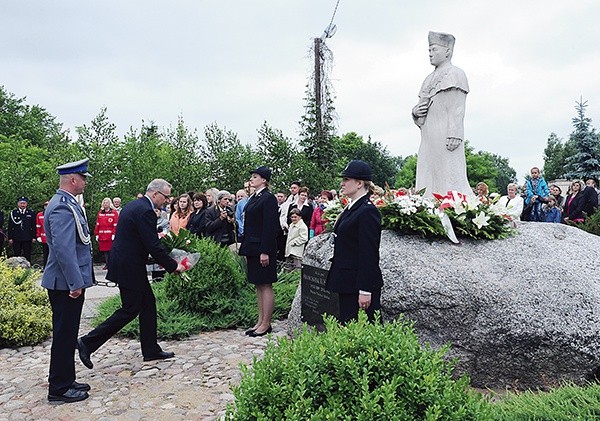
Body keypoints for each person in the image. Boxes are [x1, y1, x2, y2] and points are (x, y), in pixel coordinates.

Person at [77, 179, 185, 369]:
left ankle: (151, 349)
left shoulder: (136, 205)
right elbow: (152, 244)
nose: (167, 201)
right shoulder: (145, 211)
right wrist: (173, 266)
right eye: (166, 197)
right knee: (130, 309)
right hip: (129, 265)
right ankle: (87, 342)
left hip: (128, 263)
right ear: (155, 193)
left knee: (148, 305)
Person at [41, 158, 94, 403]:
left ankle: (66, 378)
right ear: (73, 179)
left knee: (68, 332)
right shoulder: (62, 206)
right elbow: (63, 249)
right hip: (65, 283)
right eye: (83, 178)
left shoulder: (67, 203)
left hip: (66, 282)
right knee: (64, 334)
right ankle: (59, 388)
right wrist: (75, 283)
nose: (85, 182)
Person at [412, 31, 471, 196]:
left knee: (448, 169)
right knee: (427, 168)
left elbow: (458, 108)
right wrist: (415, 112)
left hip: (445, 133)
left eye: (434, 49)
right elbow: (420, 109)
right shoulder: (428, 79)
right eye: (429, 50)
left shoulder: (456, 74)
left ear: (447, 51)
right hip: (428, 135)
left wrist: (455, 133)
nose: (430, 54)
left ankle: (453, 205)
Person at [326, 160, 383, 324]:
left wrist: (365, 289)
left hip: (357, 284)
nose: (342, 184)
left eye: (346, 180)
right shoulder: (352, 207)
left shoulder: (367, 211)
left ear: (359, 183)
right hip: (347, 280)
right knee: (347, 329)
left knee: (363, 333)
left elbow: (369, 253)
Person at [239, 166, 279, 337]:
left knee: (265, 284)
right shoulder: (254, 197)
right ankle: (260, 321)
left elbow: (269, 226)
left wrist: (265, 251)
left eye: (255, 177)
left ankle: (266, 323)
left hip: (262, 248)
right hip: (252, 247)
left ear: (264, 180)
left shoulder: (268, 198)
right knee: (258, 284)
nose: (252, 179)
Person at [7, 196, 36, 262]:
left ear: (26, 204)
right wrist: (10, 238)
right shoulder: (13, 213)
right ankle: (17, 270)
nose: (22, 205)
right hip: (16, 238)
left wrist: (34, 236)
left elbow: (33, 226)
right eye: (21, 203)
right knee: (17, 255)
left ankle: (28, 270)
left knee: (27, 255)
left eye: (24, 203)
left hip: (27, 238)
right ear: (18, 204)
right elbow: (10, 227)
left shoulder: (30, 213)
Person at [94, 198, 119, 270]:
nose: (105, 204)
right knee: (105, 251)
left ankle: (112, 264)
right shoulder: (100, 213)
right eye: (104, 203)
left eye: (107, 202)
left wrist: (114, 234)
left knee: (111, 251)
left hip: (110, 235)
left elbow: (115, 224)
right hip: (102, 235)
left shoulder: (114, 213)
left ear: (110, 204)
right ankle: (107, 264)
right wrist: (97, 234)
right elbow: (98, 224)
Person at [36, 201, 49, 267]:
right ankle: (45, 267)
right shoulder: (39, 215)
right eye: (45, 205)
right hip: (44, 239)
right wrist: (38, 236)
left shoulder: (54, 214)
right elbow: (38, 226)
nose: (47, 206)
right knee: (45, 254)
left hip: (53, 239)